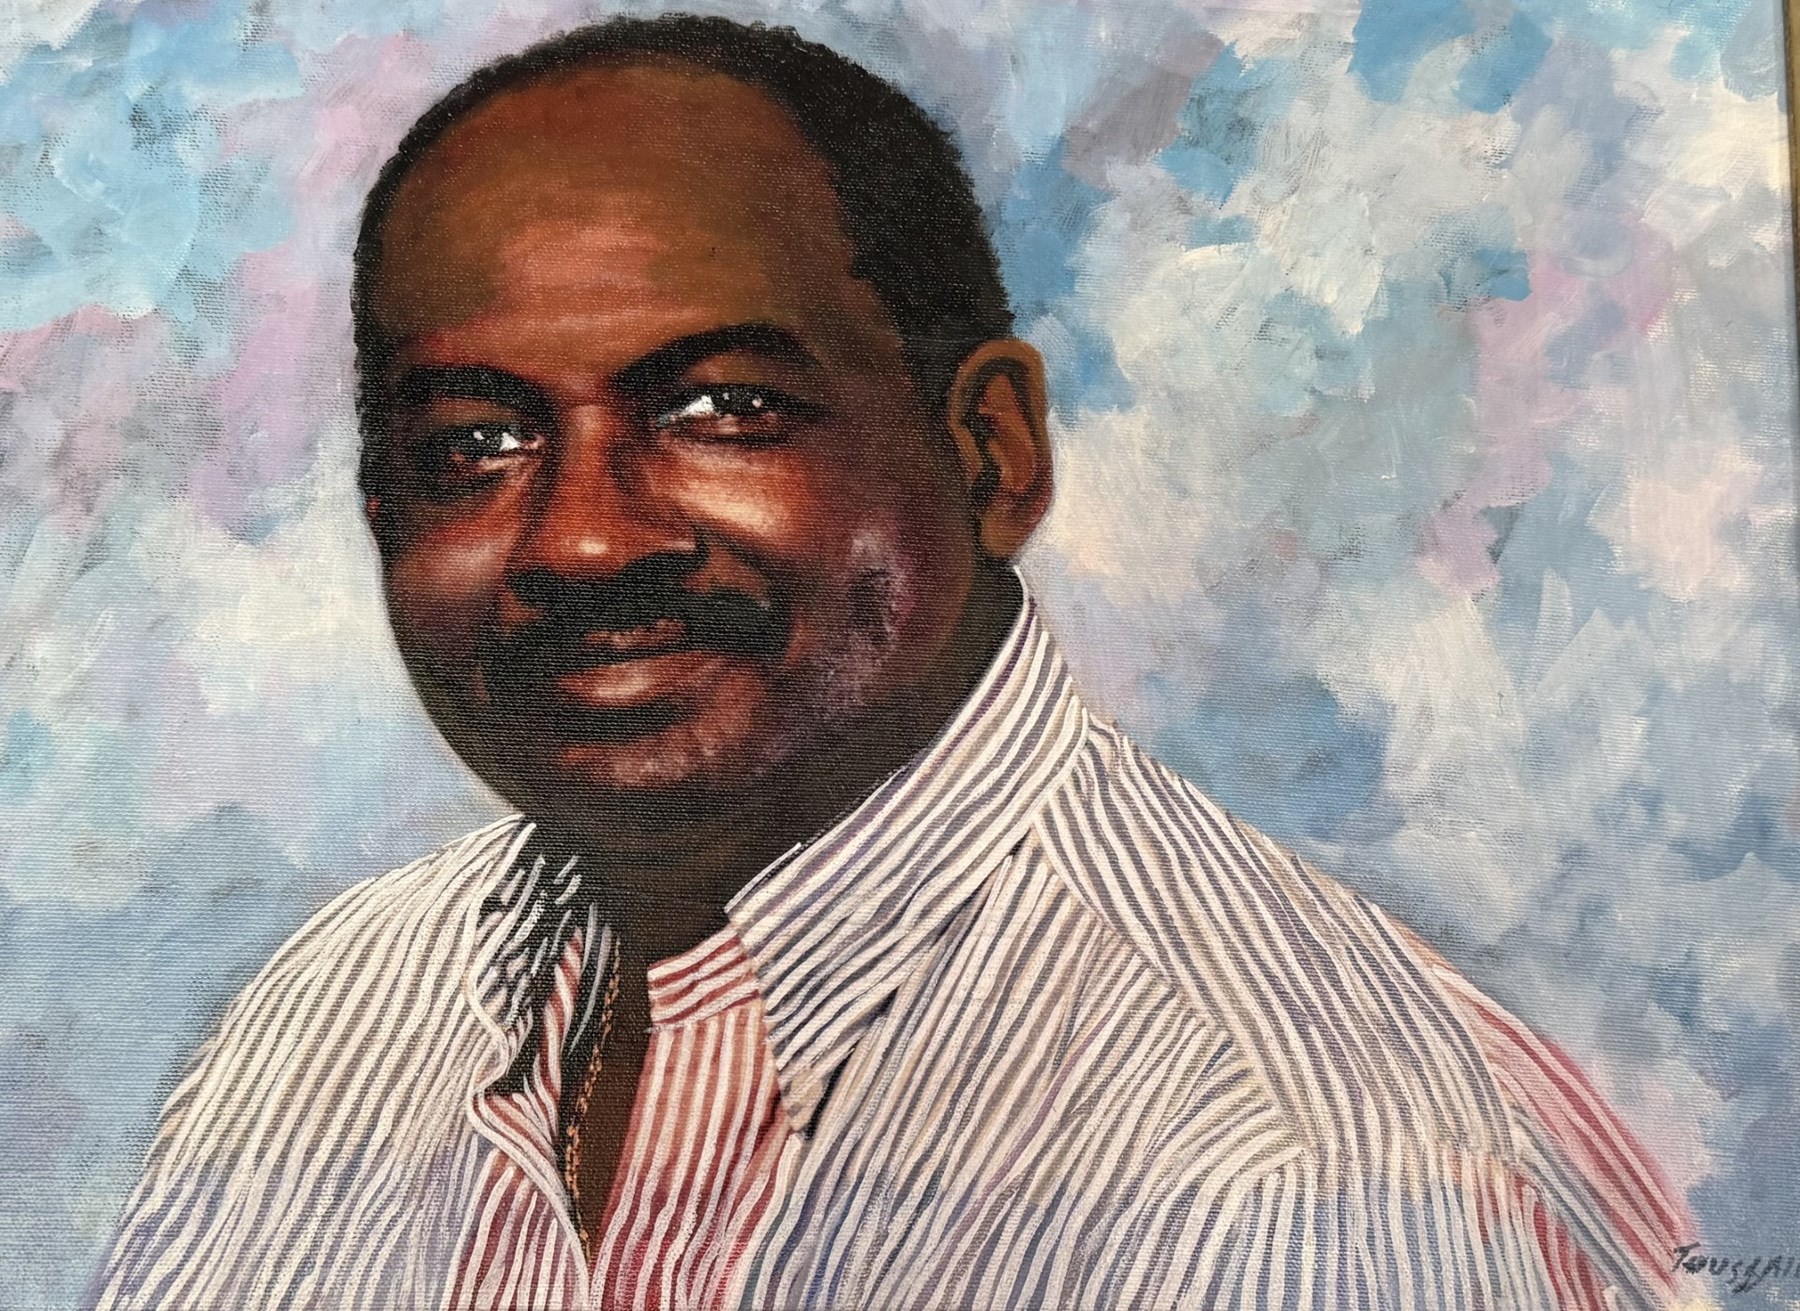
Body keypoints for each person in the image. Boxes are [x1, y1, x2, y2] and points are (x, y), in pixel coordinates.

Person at [92, 14, 1696, 1310]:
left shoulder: (1316, 1168)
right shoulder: (321, 1034)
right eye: (473, 444)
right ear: (381, 511)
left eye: (722, 409)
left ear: (992, 452)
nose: (580, 539)